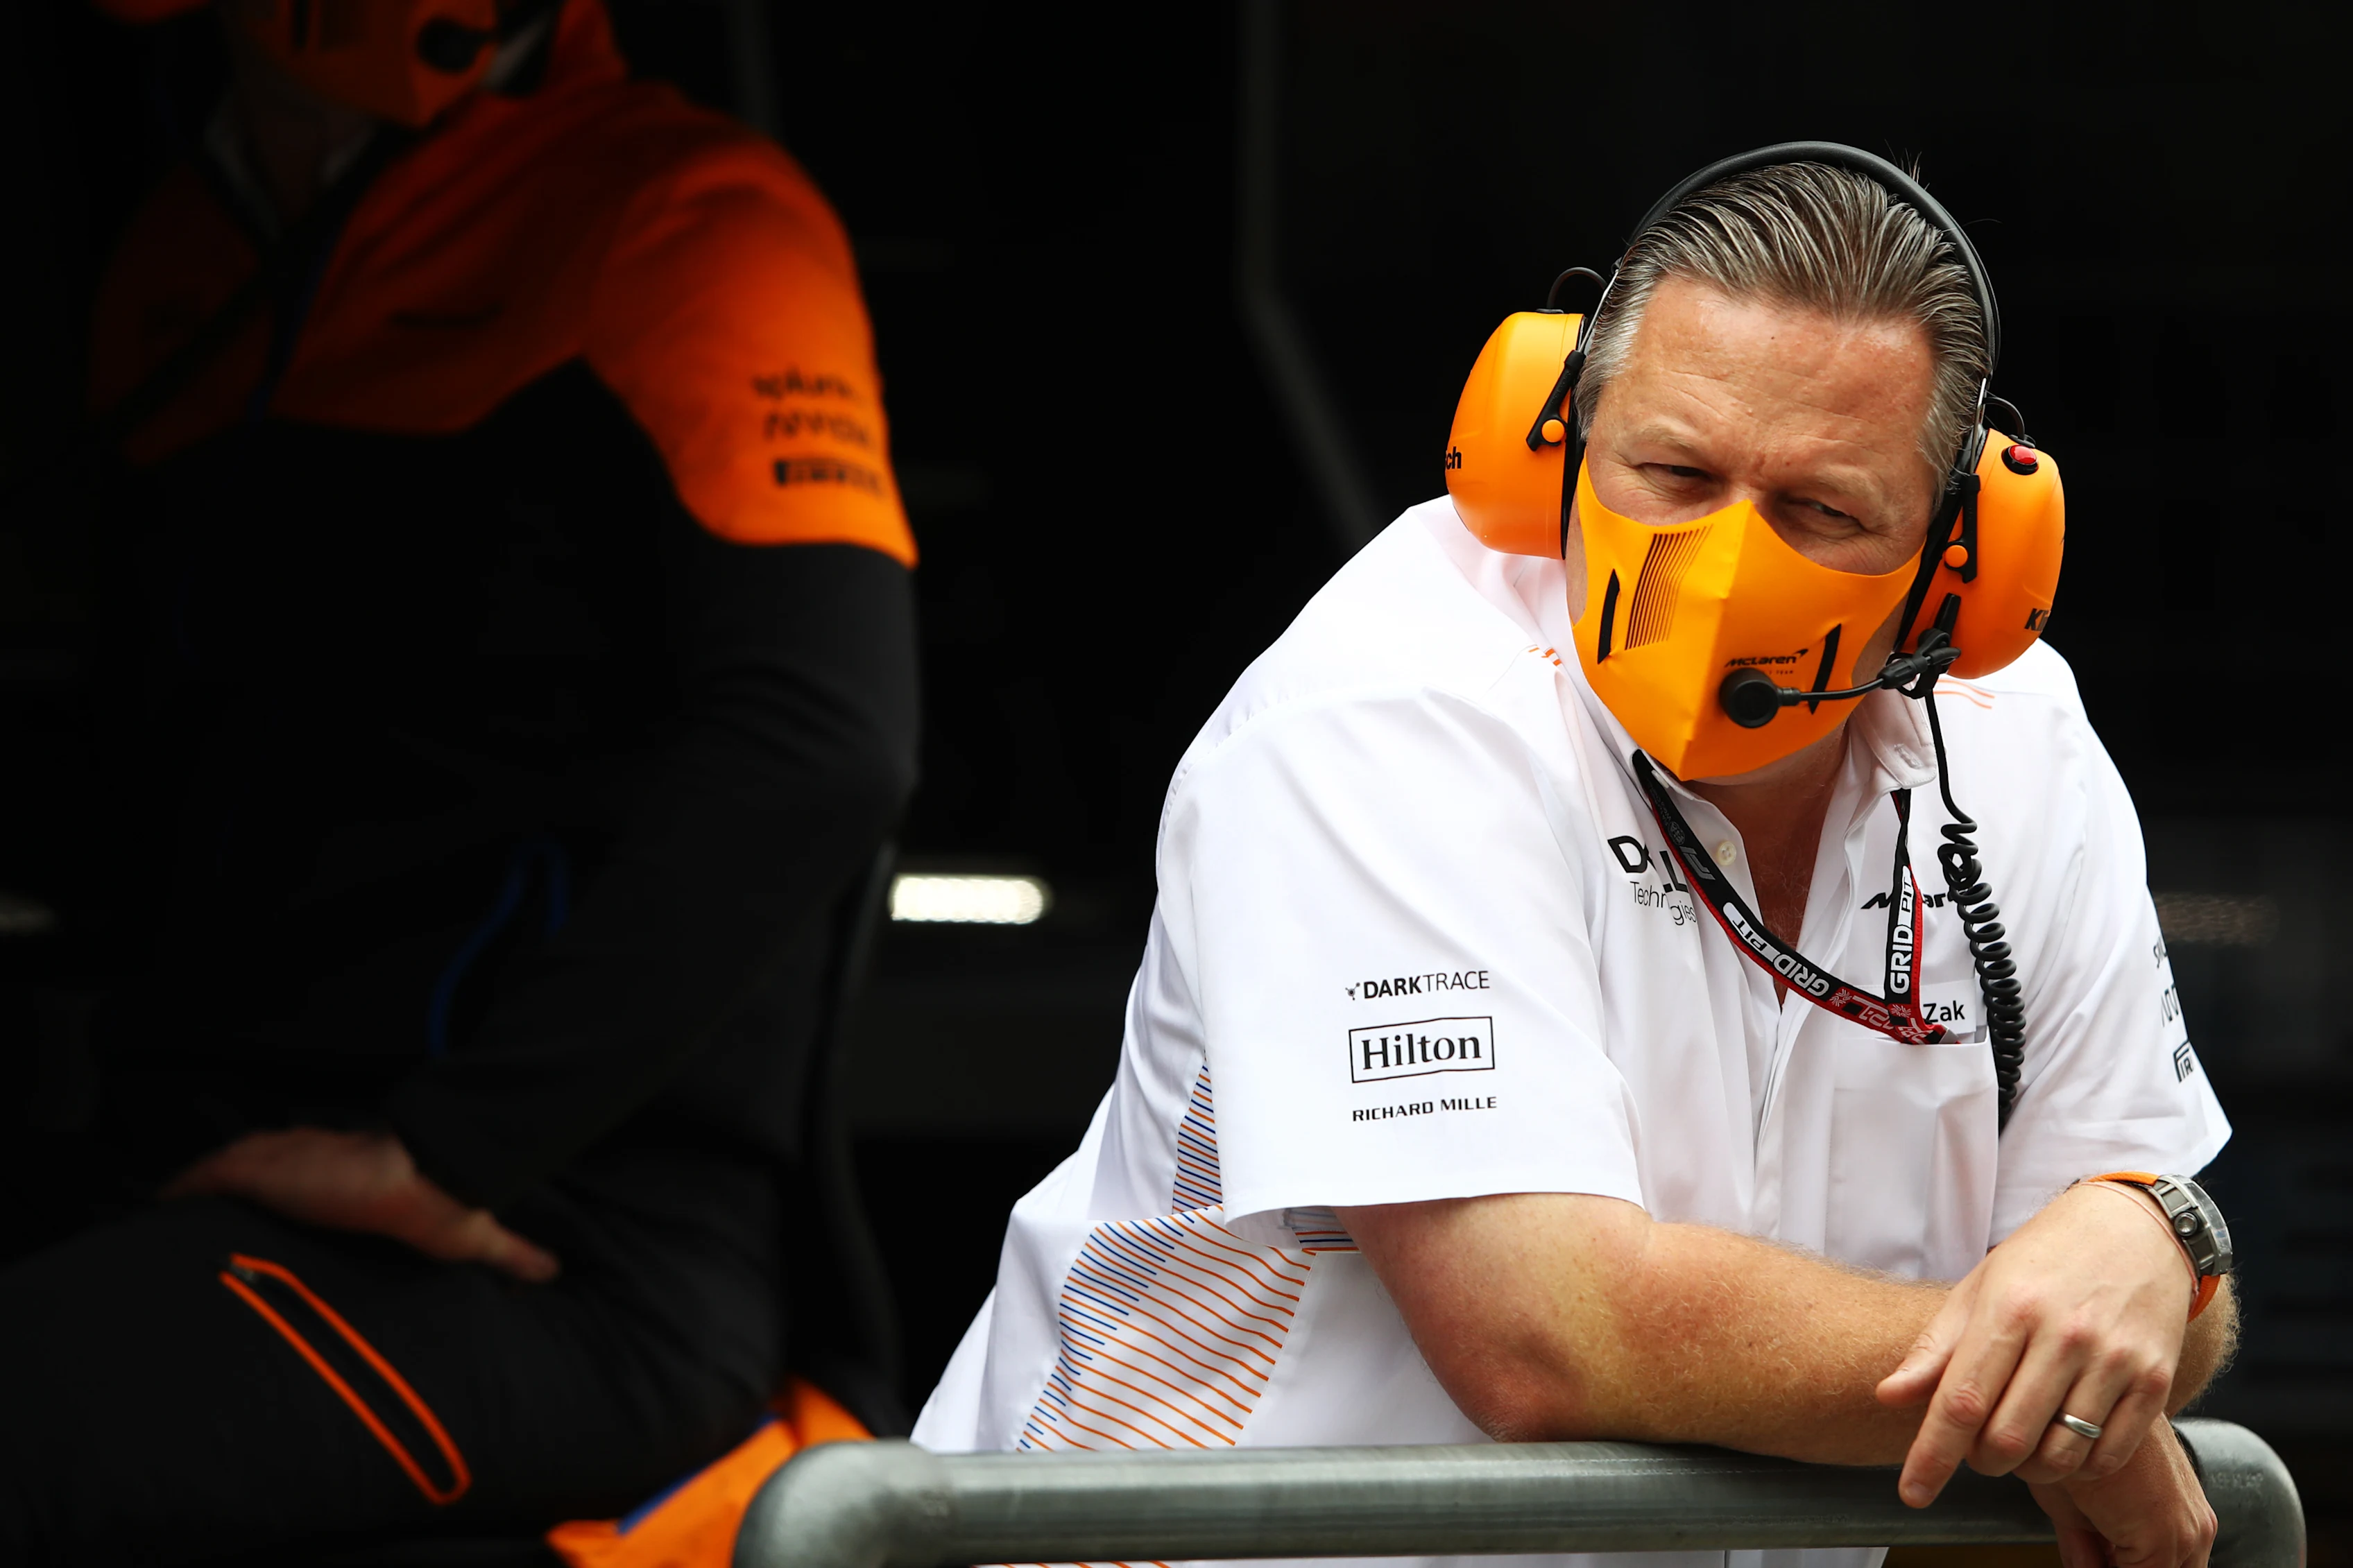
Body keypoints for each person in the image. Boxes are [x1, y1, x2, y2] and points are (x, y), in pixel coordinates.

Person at [914, 146, 2235, 1568]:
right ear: (1544, 448)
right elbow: (1546, 1329)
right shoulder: (1384, 705)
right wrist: (2059, 1384)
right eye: (1671, 471)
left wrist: (2155, 1242)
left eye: (1819, 512)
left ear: (1960, 560)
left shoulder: (2016, 737)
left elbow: (2162, 1283)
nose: (1724, 563)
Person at [0, 0, 916, 1560]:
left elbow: (820, 743)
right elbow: (146, 784)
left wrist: (451, 1145)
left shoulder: (691, 215)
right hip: (205, 1156)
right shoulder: (178, 251)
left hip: (550, 1247)